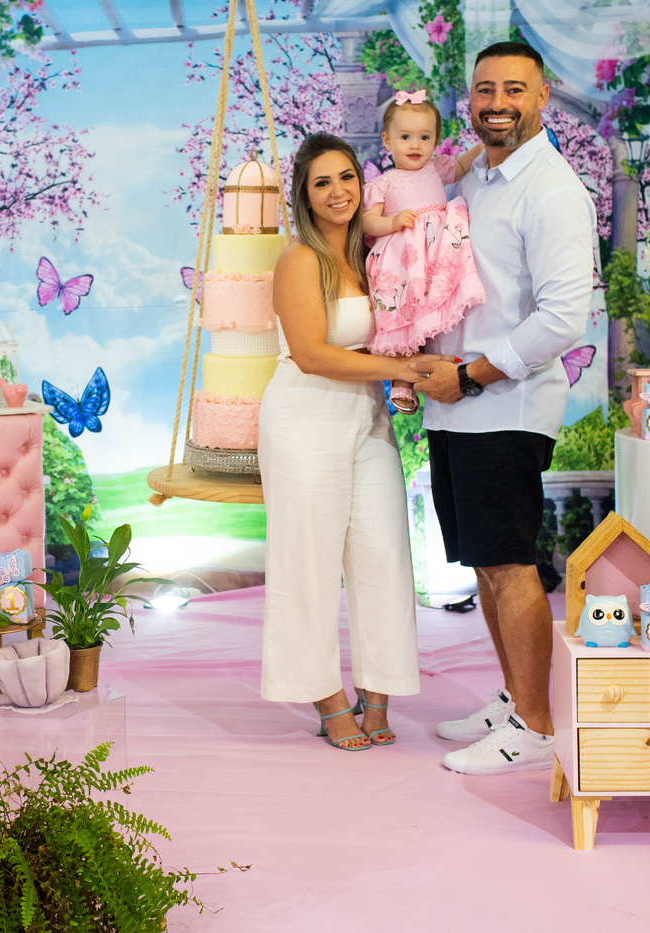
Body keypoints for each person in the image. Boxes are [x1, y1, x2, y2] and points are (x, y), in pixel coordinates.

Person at [409, 42, 597, 775]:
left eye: (514, 89)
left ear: (543, 97)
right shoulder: (478, 178)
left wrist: (471, 375)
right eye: (485, 89)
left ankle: (537, 727)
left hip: (502, 405)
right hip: (456, 405)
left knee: (512, 564)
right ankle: (516, 698)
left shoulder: (552, 190)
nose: (496, 103)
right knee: (486, 565)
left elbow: (562, 319)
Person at [259, 133, 443, 751]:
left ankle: (379, 691)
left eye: (346, 178)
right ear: (304, 196)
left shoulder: (375, 254)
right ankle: (327, 698)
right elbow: (312, 354)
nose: (338, 191)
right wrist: (402, 370)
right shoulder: (298, 260)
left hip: (367, 417)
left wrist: (414, 365)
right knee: (309, 561)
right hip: (304, 417)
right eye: (322, 182)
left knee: (384, 553)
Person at [361, 89, 486, 414]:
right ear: (387, 141)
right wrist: (391, 223)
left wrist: (484, 145)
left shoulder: (436, 169)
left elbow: (461, 166)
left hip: (436, 254)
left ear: (435, 141)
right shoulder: (384, 183)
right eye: (405, 137)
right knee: (406, 319)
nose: (415, 145)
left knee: (432, 314)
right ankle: (402, 381)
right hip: (405, 261)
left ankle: (440, 367)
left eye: (424, 137)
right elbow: (368, 221)